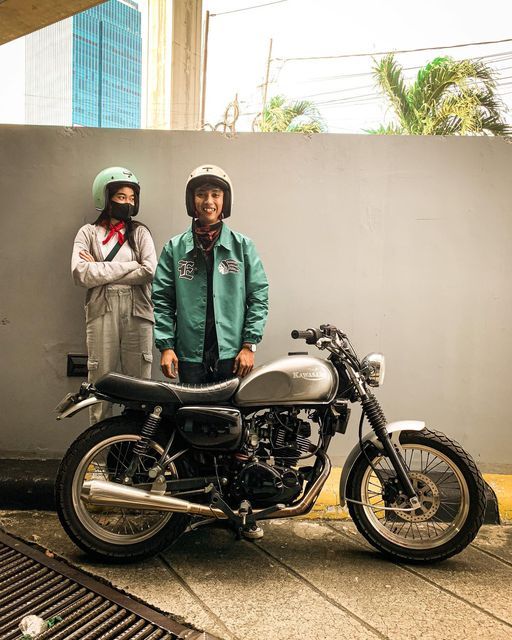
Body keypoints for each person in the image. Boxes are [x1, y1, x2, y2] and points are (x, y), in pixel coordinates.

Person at [152, 163, 269, 384]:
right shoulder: (174, 249)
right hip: (189, 356)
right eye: (201, 195)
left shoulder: (242, 247)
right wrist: (166, 346)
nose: (208, 202)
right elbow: (162, 300)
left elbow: (258, 297)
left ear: (225, 200)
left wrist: (249, 345)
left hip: (232, 355)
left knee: (229, 417)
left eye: (215, 195)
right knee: (192, 416)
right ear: (191, 201)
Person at [71, 167, 157, 425]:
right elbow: (80, 274)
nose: (127, 203)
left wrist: (100, 268)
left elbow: (149, 270)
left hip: (138, 312)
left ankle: (137, 455)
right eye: (121, 197)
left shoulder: (140, 233)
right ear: (105, 198)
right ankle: (97, 459)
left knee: (140, 388)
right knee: (99, 385)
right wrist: (132, 266)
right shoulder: (87, 233)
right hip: (102, 310)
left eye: (132, 198)